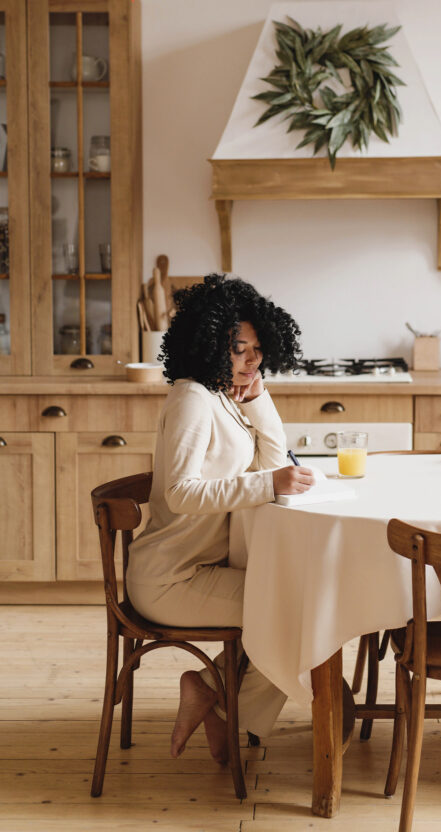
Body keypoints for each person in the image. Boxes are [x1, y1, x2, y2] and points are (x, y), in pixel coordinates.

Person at [126, 274, 314, 761]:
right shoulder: (192, 398)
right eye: (239, 349)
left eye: (257, 349)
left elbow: (275, 461)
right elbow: (181, 492)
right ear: (210, 345)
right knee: (297, 611)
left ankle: (213, 695)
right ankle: (224, 708)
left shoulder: (224, 397)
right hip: (170, 578)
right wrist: (269, 485)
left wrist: (258, 397)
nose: (251, 359)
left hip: (204, 569)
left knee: (301, 602)